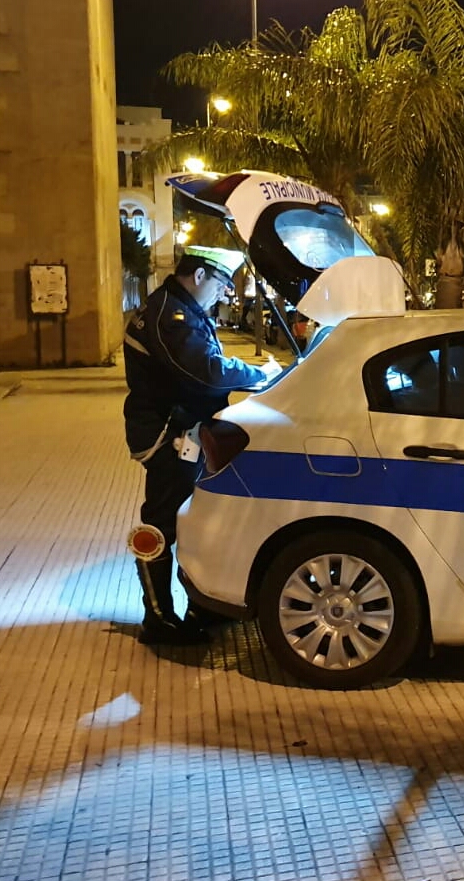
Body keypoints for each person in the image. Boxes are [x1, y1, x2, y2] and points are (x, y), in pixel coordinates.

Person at [122, 247, 282, 645]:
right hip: (168, 436)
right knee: (163, 522)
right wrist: (259, 375)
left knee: (197, 518)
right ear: (198, 276)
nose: (224, 294)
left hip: (182, 430)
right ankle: (158, 620)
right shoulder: (171, 317)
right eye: (221, 284)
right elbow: (208, 372)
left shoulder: (177, 309)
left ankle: (203, 606)